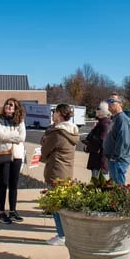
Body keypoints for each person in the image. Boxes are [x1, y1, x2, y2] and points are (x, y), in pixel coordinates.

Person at [40, 103, 80, 246]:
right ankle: (66, 233)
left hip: (56, 171)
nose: (53, 114)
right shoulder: (73, 131)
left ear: (60, 114)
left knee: (56, 206)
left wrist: (44, 145)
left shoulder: (58, 133)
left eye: (55, 112)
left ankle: (61, 235)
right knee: (63, 205)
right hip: (66, 171)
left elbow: (45, 151)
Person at [0, 98, 27, 224]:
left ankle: (13, 211)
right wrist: (14, 137)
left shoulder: (20, 121)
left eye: (11, 105)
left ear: (16, 108)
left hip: (17, 155)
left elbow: (22, 137)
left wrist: (10, 137)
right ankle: (1, 212)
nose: (8, 106)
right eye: (7, 104)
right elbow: (0, 135)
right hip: (4, 155)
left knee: (14, 185)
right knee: (4, 184)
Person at [103, 93, 130, 184]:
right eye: (108, 101)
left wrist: (115, 156)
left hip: (118, 160)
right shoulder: (114, 118)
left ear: (120, 104)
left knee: (118, 188)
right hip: (113, 159)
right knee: (113, 187)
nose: (109, 103)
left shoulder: (122, 119)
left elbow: (123, 140)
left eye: (112, 101)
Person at [83, 102, 111, 179]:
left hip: (100, 160)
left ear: (103, 112)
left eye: (98, 109)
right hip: (96, 158)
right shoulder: (100, 124)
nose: (96, 110)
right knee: (94, 182)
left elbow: (101, 141)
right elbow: (89, 137)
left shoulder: (104, 125)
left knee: (98, 184)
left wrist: (89, 147)